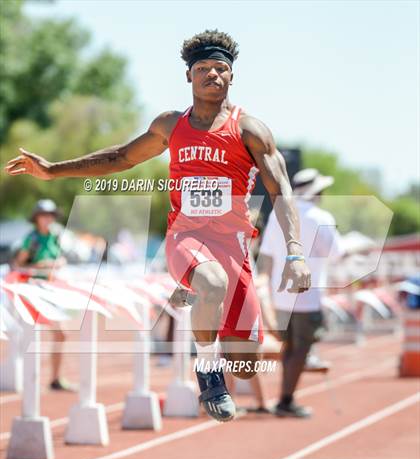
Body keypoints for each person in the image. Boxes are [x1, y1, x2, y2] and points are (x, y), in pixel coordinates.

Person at [5, 30, 310, 421]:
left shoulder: (250, 130)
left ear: (232, 76)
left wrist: (296, 252)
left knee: (246, 365)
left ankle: (203, 311)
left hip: (234, 247)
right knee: (211, 283)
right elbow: (120, 157)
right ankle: (207, 370)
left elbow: (281, 188)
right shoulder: (171, 124)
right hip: (187, 237)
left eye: (221, 69)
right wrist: (52, 171)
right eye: (203, 69)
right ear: (189, 76)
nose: (212, 75)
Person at [259, 168, 343, 418]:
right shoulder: (321, 217)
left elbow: (268, 258)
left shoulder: (278, 215)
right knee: (301, 349)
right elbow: (336, 253)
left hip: (282, 293)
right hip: (308, 295)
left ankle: (285, 397)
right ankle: (286, 399)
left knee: (289, 347)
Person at [12, 199, 74, 391]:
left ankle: (54, 378)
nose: (47, 219)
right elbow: (17, 265)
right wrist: (36, 267)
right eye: (43, 215)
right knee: (27, 336)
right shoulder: (32, 240)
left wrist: (59, 263)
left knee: (61, 335)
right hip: (33, 291)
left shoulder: (55, 236)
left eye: (50, 215)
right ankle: (23, 377)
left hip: (51, 290)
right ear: (36, 218)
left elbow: (60, 257)